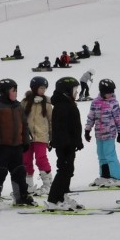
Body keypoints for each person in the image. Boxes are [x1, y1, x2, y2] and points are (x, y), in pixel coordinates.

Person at [0, 79, 35, 212]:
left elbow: (24, 125)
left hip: (17, 146)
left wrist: (25, 141)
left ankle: (21, 197)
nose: (16, 93)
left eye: (16, 90)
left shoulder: (18, 106)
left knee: (19, 172)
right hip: (2, 147)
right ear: (4, 92)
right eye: (13, 90)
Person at [45, 77, 85, 210]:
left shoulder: (67, 103)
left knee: (68, 170)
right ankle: (53, 200)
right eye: (75, 90)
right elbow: (61, 128)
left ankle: (62, 195)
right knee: (64, 170)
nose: (77, 93)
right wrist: (67, 143)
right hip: (64, 145)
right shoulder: (62, 106)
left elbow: (74, 126)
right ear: (66, 91)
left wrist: (77, 142)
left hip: (69, 144)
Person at [84, 78, 120, 187]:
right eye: (108, 92)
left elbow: (118, 118)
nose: (110, 95)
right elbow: (91, 117)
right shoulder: (95, 102)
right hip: (99, 134)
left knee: (110, 155)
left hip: (110, 134)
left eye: (112, 92)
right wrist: (87, 130)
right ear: (102, 91)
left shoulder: (113, 103)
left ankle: (117, 177)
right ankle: (105, 176)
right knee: (101, 155)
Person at [22, 76, 54, 195]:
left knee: (41, 159)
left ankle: (48, 184)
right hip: (27, 137)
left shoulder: (47, 103)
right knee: (26, 160)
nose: (43, 90)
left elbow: (51, 121)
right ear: (34, 88)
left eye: (45, 88)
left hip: (41, 136)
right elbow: (21, 120)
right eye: (41, 88)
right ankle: (28, 185)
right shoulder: (25, 102)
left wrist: (51, 137)